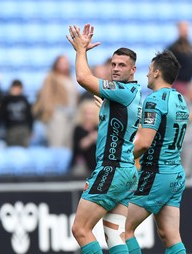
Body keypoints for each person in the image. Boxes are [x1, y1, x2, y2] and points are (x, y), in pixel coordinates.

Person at [67, 24, 142, 254]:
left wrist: (81, 50)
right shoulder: (132, 93)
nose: (116, 69)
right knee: (114, 234)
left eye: (122, 65)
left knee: (81, 230)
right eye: (113, 64)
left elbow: (82, 77)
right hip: (126, 171)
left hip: (112, 169)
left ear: (133, 70)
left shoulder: (121, 90)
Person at [125, 50, 188, 254]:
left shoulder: (154, 100)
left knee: (122, 230)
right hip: (175, 173)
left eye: (150, 70)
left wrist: (123, 158)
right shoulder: (180, 99)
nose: (147, 74)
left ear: (157, 72)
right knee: (170, 236)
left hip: (156, 174)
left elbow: (144, 143)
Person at [32, 54, 79, 148]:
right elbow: (45, 96)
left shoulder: (70, 78)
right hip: (58, 114)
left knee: (68, 143)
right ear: (56, 64)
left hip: (71, 114)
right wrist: (50, 111)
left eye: (66, 63)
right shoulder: (51, 77)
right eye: (62, 63)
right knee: (57, 141)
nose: (65, 65)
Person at [0, 79, 33, 147]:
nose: (16, 91)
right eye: (15, 88)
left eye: (18, 89)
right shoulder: (6, 100)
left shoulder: (24, 100)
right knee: (12, 152)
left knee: (24, 152)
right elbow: (0, 115)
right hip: (11, 129)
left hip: (24, 129)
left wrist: (31, 129)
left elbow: (30, 116)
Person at [69, 99, 99, 176]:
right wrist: (91, 138)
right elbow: (79, 146)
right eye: (86, 113)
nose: (88, 116)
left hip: (97, 163)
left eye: (91, 113)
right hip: (82, 163)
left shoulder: (99, 128)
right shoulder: (78, 128)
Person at [166, 21, 192, 95]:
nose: (186, 32)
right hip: (178, 83)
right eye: (183, 30)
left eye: (186, 30)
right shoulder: (173, 48)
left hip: (189, 83)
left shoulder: (190, 46)